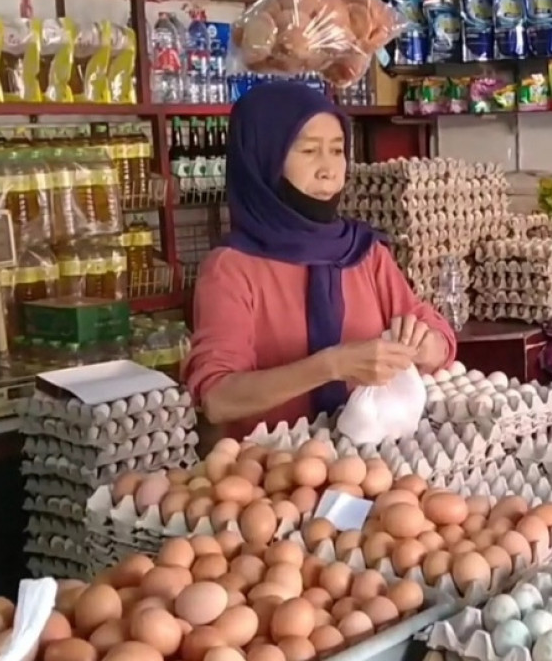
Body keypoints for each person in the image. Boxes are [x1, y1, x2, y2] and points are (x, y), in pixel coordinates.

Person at [184, 82, 457, 441]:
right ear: (263, 159)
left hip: (367, 457)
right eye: (310, 150)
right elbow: (218, 398)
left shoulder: (363, 252)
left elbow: (440, 338)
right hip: (273, 463)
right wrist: (331, 365)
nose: (329, 169)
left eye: (338, 150)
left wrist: (425, 345)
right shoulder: (232, 269)